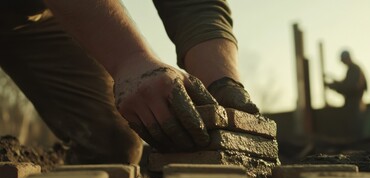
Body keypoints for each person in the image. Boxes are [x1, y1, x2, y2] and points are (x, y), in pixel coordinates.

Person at [0, 0, 258, 165]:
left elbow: (194, 4)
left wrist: (223, 84)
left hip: (30, 13)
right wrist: (132, 59)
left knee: (112, 142)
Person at [326, 50, 367, 139]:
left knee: (355, 129)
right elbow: (346, 84)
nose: (343, 63)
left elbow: (350, 87)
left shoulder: (354, 69)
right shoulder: (353, 69)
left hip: (355, 104)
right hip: (354, 104)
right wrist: (334, 83)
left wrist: (334, 86)